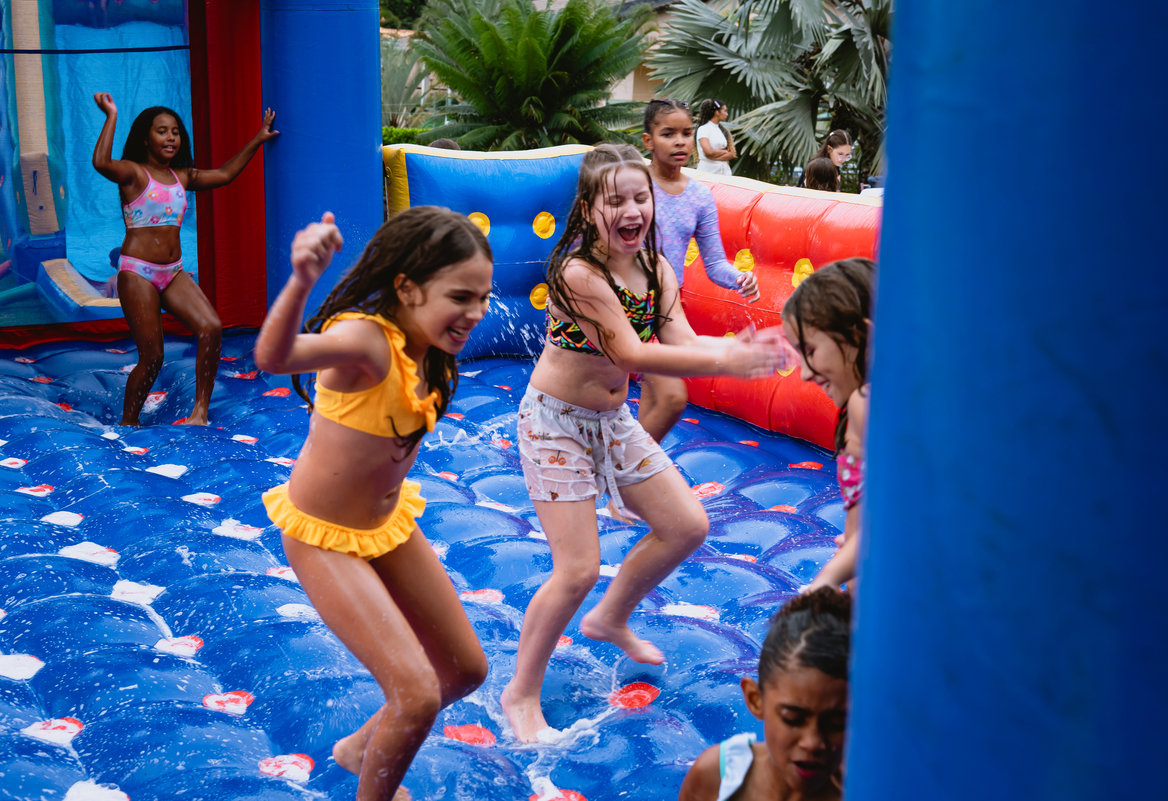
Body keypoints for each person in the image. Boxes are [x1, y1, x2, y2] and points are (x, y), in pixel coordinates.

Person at [500, 144, 785, 743]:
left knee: (687, 525)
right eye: (617, 201)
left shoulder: (658, 268)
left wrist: (732, 350)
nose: (632, 210)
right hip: (554, 423)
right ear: (588, 210)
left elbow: (677, 335)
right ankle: (520, 693)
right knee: (576, 568)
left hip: (610, 422)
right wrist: (729, 361)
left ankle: (611, 617)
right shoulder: (579, 274)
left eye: (640, 198)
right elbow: (630, 352)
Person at [253, 207, 493, 801]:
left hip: (385, 525)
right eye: (461, 296)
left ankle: (362, 746)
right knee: (415, 694)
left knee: (464, 670)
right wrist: (301, 279)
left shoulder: (429, 344)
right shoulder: (365, 340)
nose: (477, 313)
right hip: (323, 535)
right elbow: (273, 359)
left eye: (483, 297)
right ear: (407, 288)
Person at [91, 93, 278, 425]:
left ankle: (200, 412)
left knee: (211, 327)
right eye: (162, 131)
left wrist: (258, 140)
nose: (170, 137)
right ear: (146, 138)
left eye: (175, 131)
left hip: (172, 271)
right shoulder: (133, 173)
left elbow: (224, 174)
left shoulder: (183, 176)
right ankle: (128, 423)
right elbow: (101, 163)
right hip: (138, 273)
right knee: (152, 357)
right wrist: (111, 115)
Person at [638, 98, 760, 443]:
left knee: (661, 399)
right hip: (623, 303)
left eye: (687, 133)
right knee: (669, 397)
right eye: (668, 134)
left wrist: (739, 278)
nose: (680, 141)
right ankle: (626, 472)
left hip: (665, 311)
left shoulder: (699, 196)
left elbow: (715, 263)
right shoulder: (633, 185)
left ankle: (626, 482)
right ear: (648, 141)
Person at [678, 588, 850, 801]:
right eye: (792, 719)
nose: (813, 742)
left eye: (836, 723)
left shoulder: (868, 792)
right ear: (755, 700)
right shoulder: (717, 778)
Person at [781, 258, 875, 592]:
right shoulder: (864, 403)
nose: (805, 373)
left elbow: (891, 518)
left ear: (858, 335)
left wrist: (824, 582)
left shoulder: (867, 403)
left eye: (810, 351)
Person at [695, 99, 736, 176]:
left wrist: (713, 157)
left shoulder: (723, 131)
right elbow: (708, 152)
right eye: (725, 111)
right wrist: (724, 152)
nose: (727, 114)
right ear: (717, 112)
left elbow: (732, 154)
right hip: (708, 172)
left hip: (724, 173)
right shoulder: (703, 129)